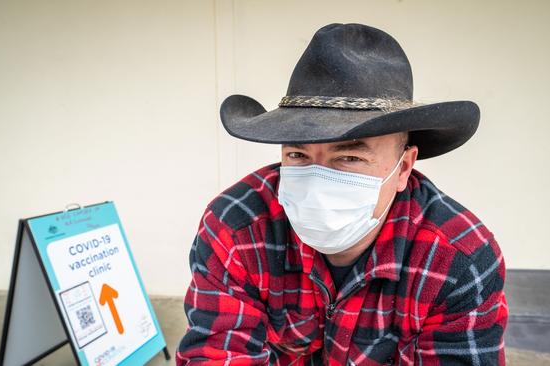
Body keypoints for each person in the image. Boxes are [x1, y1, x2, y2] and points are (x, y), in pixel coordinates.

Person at [176, 23, 507, 365]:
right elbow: (216, 355)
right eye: (298, 155)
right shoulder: (236, 227)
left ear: (404, 167)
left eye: (349, 157)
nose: (318, 181)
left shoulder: (457, 260)